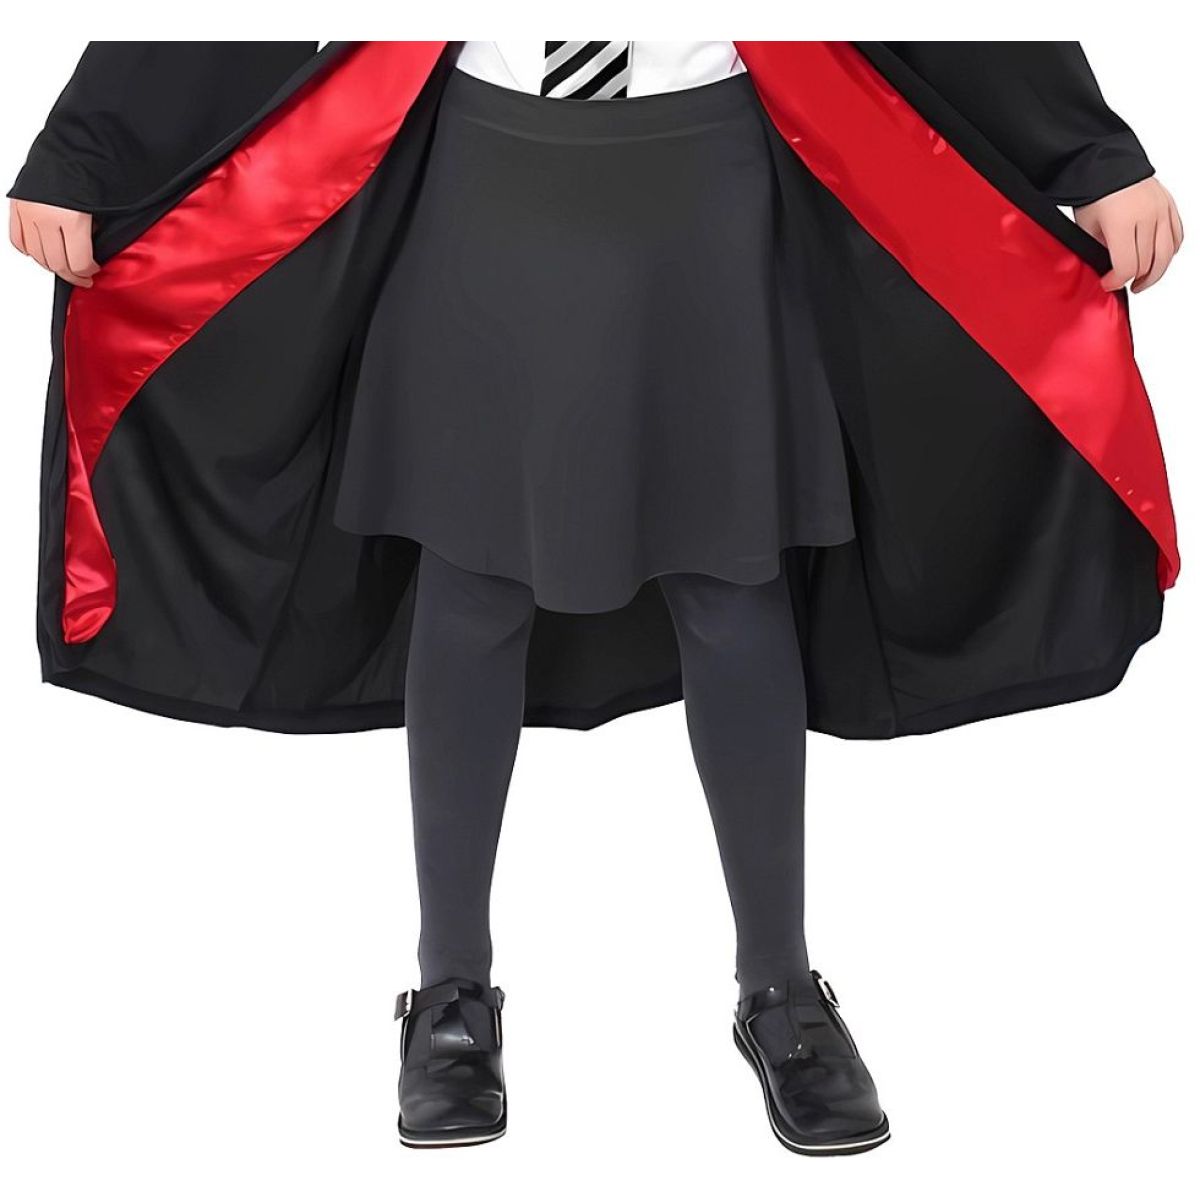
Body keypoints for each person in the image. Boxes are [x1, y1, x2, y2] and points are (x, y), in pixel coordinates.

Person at [8, 41, 1181, 1155]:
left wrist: (1087, 151)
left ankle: (781, 991)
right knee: (472, 578)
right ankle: (450, 993)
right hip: (482, 173)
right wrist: (93, 146)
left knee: (734, 576)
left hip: (719, 183)